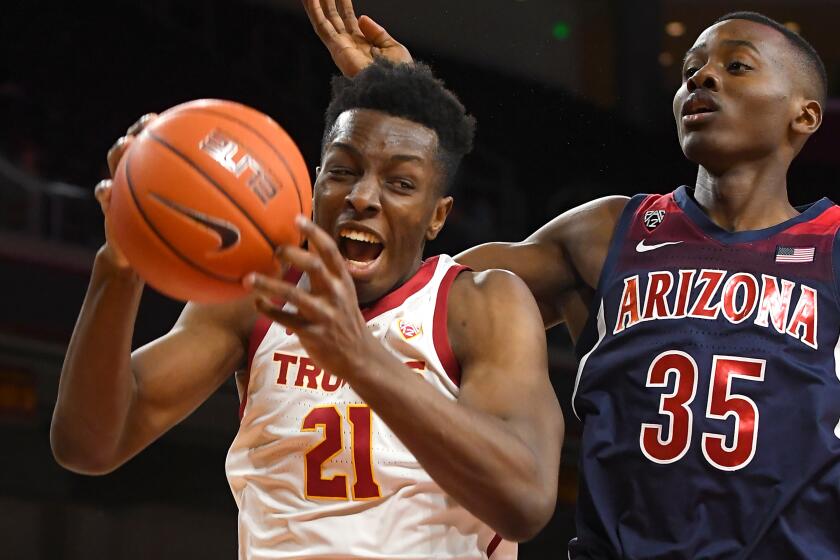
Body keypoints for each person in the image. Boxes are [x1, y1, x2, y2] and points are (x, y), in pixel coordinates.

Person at [305, 2, 839, 558]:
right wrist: (399, 104)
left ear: (804, 115)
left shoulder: (833, 246)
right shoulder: (610, 233)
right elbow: (422, 293)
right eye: (691, 71)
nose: (702, 77)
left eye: (737, 66)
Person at [50, 60, 564, 559]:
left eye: (400, 183)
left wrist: (359, 357)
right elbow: (90, 445)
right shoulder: (258, 293)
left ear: (437, 216)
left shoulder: (480, 304)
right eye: (342, 171)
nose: (362, 196)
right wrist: (118, 267)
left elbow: (524, 501)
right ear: (314, 182)